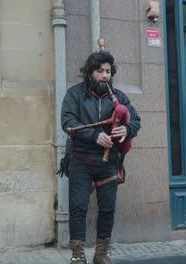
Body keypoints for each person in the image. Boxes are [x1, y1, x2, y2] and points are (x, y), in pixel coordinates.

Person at [61, 50, 141, 264]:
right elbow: (68, 122)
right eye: (100, 71)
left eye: (108, 71)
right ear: (90, 73)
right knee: (78, 207)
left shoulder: (119, 97)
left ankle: (101, 253)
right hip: (81, 161)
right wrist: (95, 136)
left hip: (109, 163)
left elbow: (136, 121)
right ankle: (78, 255)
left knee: (107, 208)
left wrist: (127, 130)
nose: (105, 75)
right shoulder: (75, 94)